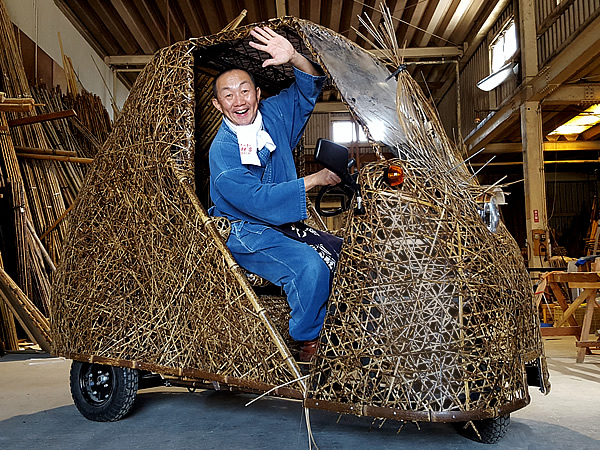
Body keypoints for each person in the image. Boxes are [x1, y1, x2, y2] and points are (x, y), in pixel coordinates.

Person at [209, 27, 341, 362]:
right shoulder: (222, 151)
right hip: (245, 229)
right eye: (228, 95)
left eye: (244, 91)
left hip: (285, 223)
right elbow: (256, 200)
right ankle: (307, 343)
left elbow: (308, 88)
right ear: (217, 104)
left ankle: (340, 328)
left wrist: (295, 56)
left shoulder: (274, 115)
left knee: (341, 253)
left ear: (257, 93)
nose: (239, 101)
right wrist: (312, 181)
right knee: (311, 267)